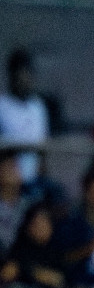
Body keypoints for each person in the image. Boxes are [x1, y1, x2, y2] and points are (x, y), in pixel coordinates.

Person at [0, 49, 48, 189]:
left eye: (28, 73)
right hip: (8, 181)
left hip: (34, 179)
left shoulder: (38, 106)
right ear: (12, 75)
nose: (24, 79)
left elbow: (43, 148)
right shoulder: (2, 105)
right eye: (20, 73)